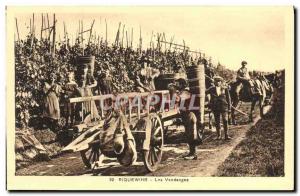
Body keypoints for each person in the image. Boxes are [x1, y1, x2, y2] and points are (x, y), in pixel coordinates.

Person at [206, 76, 231, 140]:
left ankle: (226, 135)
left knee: (225, 120)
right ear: (214, 82)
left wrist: (229, 108)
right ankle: (219, 135)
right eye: (216, 81)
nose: (217, 82)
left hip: (224, 107)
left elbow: (228, 99)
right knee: (217, 121)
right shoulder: (211, 89)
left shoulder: (225, 89)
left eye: (219, 81)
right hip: (215, 107)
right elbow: (204, 92)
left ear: (221, 82)